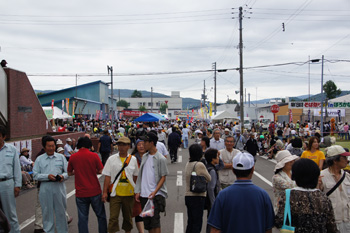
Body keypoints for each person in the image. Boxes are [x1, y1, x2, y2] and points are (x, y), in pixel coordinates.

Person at [208, 152, 274, 233]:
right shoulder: (263, 195)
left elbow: (215, 229)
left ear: (233, 170)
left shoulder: (223, 195)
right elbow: (268, 229)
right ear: (253, 169)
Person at [275, 158, 338, 232]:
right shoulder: (323, 197)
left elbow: (279, 221)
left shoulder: (289, 195)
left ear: (295, 176)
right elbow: (331, 225)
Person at [67, 137, 107, 233]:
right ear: (90, 145)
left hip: (81, 192)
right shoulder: (94, 156)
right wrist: (94, 171)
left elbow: (69, 173)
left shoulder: (73, 157)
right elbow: (101, 170)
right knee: (101, 216)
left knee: (83, 218)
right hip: (95, 190)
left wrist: (77, 171)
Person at [102, 137, 138, 233]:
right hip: (115, 194)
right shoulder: (111, 159)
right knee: (113, 218)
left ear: (128, 146)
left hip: (129, 194)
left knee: (128, 218)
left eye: (124, 145)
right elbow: (107, 177)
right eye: (119, 145)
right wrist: (104, 192)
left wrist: (136, 191)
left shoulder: (133, 159)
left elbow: (135, 176)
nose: (121, 147)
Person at [33, 136, 68, 233]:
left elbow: (67, 172)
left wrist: (62, 176)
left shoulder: (61, 157)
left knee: (61, 212)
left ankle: (63, 231)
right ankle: (49, 231)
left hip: (59, 187)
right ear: (44, 147)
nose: (51, 148)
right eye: (49, 146)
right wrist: (47, 176)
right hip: (45, 187)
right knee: (47, 213)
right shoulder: (39, 159)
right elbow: (35, 175)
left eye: (53, 146)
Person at [135, 132, 169, 233]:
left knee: (155, 223)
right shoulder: (145, 156)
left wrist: (154, 192)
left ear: (152, 143)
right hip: (144, 195)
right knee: (149, 224)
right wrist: (138, 191)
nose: (143, 144)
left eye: (145, 142)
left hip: (155, 195)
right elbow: (141, 176)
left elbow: (163, 177)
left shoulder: (160, 158)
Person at [320, 145, 350, 232]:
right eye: (344, 157)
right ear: (335, 160)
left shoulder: (347, 176)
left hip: (348, 220)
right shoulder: (321, 177)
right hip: (331, 222)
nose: (347, 160)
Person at [185, 144, 211, 233]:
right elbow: (209, 178)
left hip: (188, 195)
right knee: (197, 223)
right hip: (198, 196)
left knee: (191, 221)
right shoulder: (199, 164)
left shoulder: (188, 163)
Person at [0, 126, 21, 233]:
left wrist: (17, 185)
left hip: (7, 183)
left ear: (4, 137)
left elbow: (17, 168)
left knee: (10, 213)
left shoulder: (11, 150)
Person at [131, 139, 146, 233]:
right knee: (138, 211)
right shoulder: (132, 158)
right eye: (139, 144)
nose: (141, 146)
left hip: (148, 188)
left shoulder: (150, 157)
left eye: (143, 144)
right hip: (135, 188)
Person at [204, 148, 220, 233]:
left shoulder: (207, 167)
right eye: (217, 156)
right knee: (213, 222)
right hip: (212, 200)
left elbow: (222, 165)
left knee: (210, 220)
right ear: (213, 159)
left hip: (208, 199)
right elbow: (211, 188)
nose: (218, 158)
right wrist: (213, 202)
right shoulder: (212, 170)